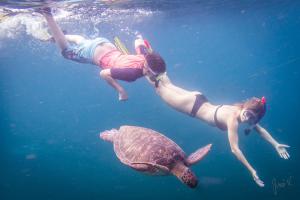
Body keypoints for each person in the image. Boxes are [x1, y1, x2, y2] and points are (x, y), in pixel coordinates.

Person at [145, 71, 290, 187]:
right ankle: (143, 68)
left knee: (167, 84)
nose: (247, 118)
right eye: (247, 114)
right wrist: (252, 170)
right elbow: (235, 149)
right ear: (245, 107)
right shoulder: (232, 120)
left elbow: (260, 129)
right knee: (159, 89)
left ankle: (152, 64)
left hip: (198, 97)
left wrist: (275, 144)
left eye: (252, 117)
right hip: (190, 107)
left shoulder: (239, 109)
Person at [38, 7, 166, 101]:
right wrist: (121, 91)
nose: (153, 78)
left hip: (104, 43)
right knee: (66, 52)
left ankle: (63, 35)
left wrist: (146, 46)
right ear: (147, 68)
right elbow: (104, 73)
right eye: (153, 76)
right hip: (93, 53)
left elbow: (138, 41)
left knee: (83, 41)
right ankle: (47, 15)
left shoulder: (145, 56)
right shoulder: (131, 74)